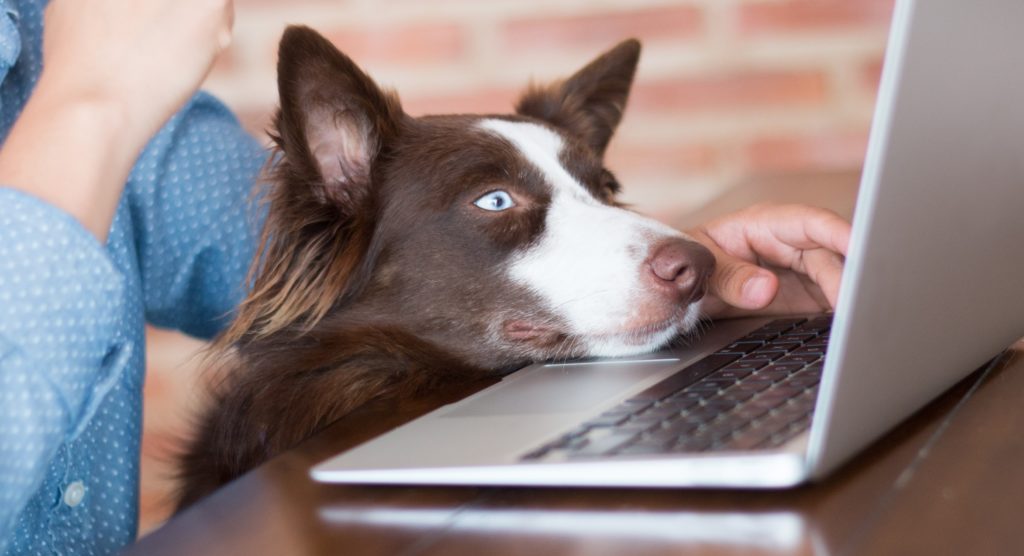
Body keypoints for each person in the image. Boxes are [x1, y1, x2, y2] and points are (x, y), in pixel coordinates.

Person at [0, 1, 850, 554]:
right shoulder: (83, 72)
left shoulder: (38, 45)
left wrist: (692, 278)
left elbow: (345, 273)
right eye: (496, 197)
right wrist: (92, 99)